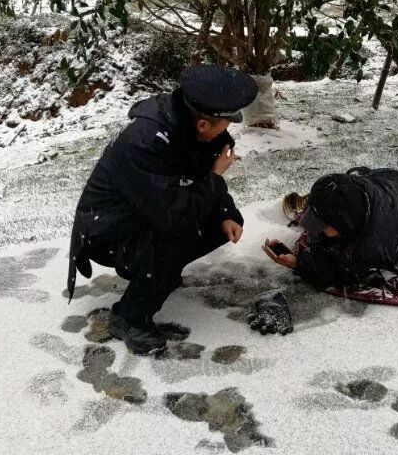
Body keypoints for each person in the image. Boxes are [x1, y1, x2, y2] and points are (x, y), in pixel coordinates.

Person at [67, 65, 258, 355]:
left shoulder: (190, 122)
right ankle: (129, 318)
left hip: (146, 208)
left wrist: (225, 213)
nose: (227, 131)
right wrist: (216, 179)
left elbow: (197, 181)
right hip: (106, 227)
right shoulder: (146, 142)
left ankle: (157, 273)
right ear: (203, 125)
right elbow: (175, 215)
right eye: (225, 124)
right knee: (178, 233)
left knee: (217, 225)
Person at [264, 146, 398, 288]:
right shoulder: (354, 189)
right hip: (382, 182)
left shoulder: (374, 245)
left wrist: (298, 264)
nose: (317, 230)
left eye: (324, 224)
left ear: (346, 224)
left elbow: (340, 273)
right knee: (354, 174)